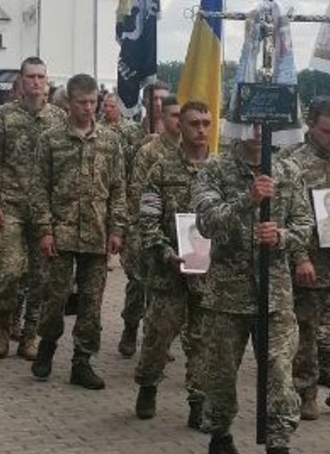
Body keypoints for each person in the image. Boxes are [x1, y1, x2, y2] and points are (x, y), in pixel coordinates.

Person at [193, 127, 313, 454]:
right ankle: (220, 436)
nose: (260, 132)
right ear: (237, 125)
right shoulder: (216, 169)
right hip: (227, 295)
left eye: (267, 124)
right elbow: (205, 222)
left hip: (274, 296)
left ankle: (278, 443)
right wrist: (249, 200)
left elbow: (305, 226)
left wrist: (282, 237)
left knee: (278, 374)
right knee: (220, 375)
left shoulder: (287, 170)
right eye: (252, 123)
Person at [28, 74, 127, 389]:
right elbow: (39, 188)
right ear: (68, 103)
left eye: (93, 102)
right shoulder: (51, 140)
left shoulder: (110, 141)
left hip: (97, 234)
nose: (89, 108)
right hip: (61, 232)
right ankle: (47, 345)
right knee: (54, 298)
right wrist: (44, 230)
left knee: (91, 303)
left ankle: (82, 361)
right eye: (82, 102)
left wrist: (117, 229)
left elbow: (118, 188)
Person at [279, 96, 330, 421]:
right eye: (327, 131)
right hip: (310, 261)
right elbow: (282, 214)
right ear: (310, 125)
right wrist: (299, 258)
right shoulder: (292, 162)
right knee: (307, 331)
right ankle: (306, 391)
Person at [132, 101, 213, 425]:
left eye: (207, 123)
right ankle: (148, 385)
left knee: (202, 340)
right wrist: (166, 253)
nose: (201, 130)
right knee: (158, 336)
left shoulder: (219, 170)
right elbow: (148, 220)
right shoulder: (162, 170)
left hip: (207, 273)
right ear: (182, 126)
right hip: (169, 271)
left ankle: (198, 403)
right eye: (194, 123)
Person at [0, 57, 66, 360]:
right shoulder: (3, 117)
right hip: (12, 208)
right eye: (30, 77)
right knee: (10, 273)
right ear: (20, 81)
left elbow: (65, 168)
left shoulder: (59, 119)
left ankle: (30, 335)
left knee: (41, 279)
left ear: (47, 80)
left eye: (41, 76)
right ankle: (4, 326)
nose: (36, 82)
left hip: (45, 214)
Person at [116, 93, 181, 357]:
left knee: (165, 292)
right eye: (174, 115)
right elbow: (137, 193)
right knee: (139, 285)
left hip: (175, 232)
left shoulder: (190, 152)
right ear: (163, 118)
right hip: (146, 230)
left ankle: (157, 340)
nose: (179, 121)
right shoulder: (149, 151)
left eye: (181, 115)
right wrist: (136, 232)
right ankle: (131, 325)